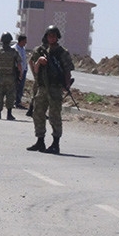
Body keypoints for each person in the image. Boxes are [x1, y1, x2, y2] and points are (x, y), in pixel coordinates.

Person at [26, 25, 74, 154]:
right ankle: (40, 141)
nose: (51, 38)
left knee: (54, 116)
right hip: (42, 87)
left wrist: (66, 85)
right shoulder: (41, 51)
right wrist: (39, 61)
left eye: (54, 36)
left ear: (57, 37)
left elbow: (67, 71)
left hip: (55, 88)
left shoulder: (62, 52)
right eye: (49, 35)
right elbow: (35, 70)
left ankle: (55, 143)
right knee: (38, 113)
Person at [0, 32, 22, 120]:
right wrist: (20, 75)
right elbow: (19, 65)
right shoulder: (14, 52)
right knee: (10, 95)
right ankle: (9, 114)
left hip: (0, 77)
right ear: (10, 41)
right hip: (11, 78)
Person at [14, 35, 28, 109]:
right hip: (17, 71)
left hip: (23, 70)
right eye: (25, 41)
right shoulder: (14, 49)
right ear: (21, 41)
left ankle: (18, 101)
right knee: (15, 86)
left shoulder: (23, 49)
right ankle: (13, 101)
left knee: (21, 87)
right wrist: (19, 71)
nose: (26, 42)